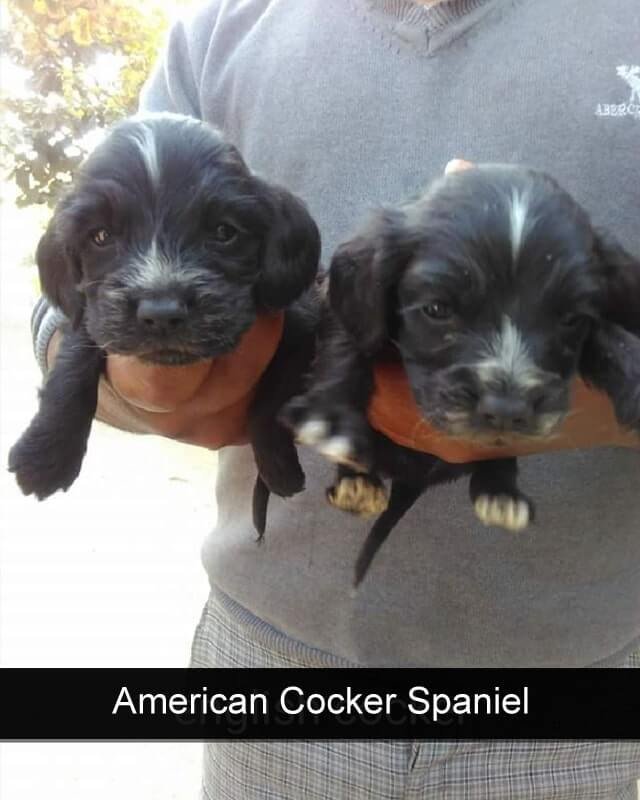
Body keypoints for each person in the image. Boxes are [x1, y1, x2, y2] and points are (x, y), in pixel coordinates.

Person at [33, 0, 640, 797]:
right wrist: (125, 382)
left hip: (582, 678)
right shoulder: (220, 31)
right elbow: (69, 278)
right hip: (273, 661)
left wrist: (591, 402)